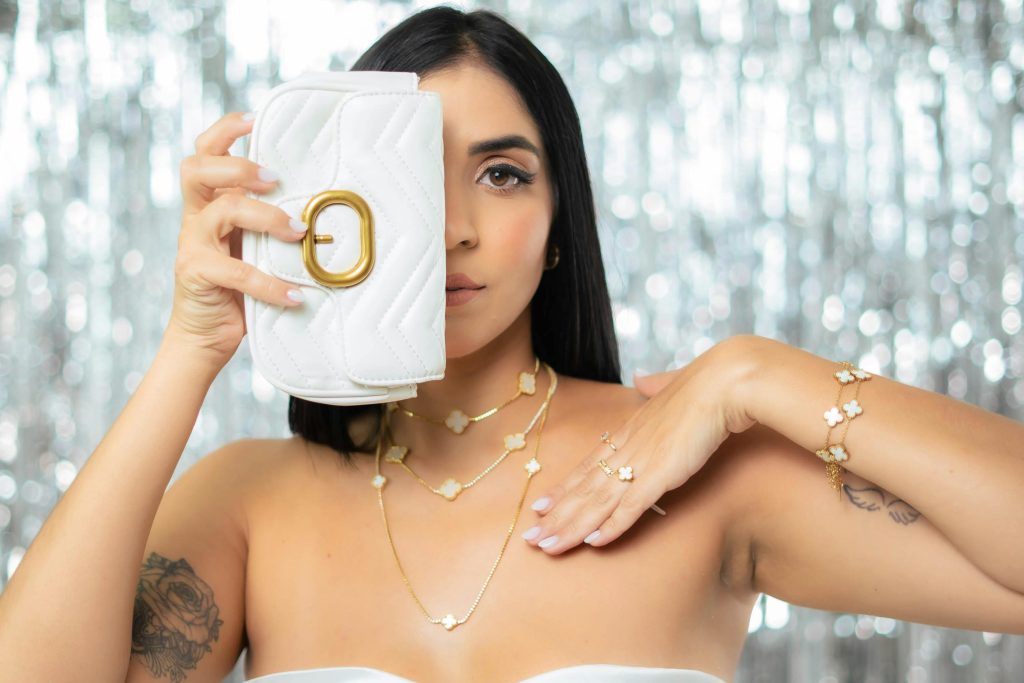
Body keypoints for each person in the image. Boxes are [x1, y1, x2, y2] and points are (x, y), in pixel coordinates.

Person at [1, 6, 1023, 683]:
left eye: (500, 174)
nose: (450, 227)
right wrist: (190, 347)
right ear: (325, 207)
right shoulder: (253, 497)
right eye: (408, 176)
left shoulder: (695, 470)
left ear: (560, 219)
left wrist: (757, 372)